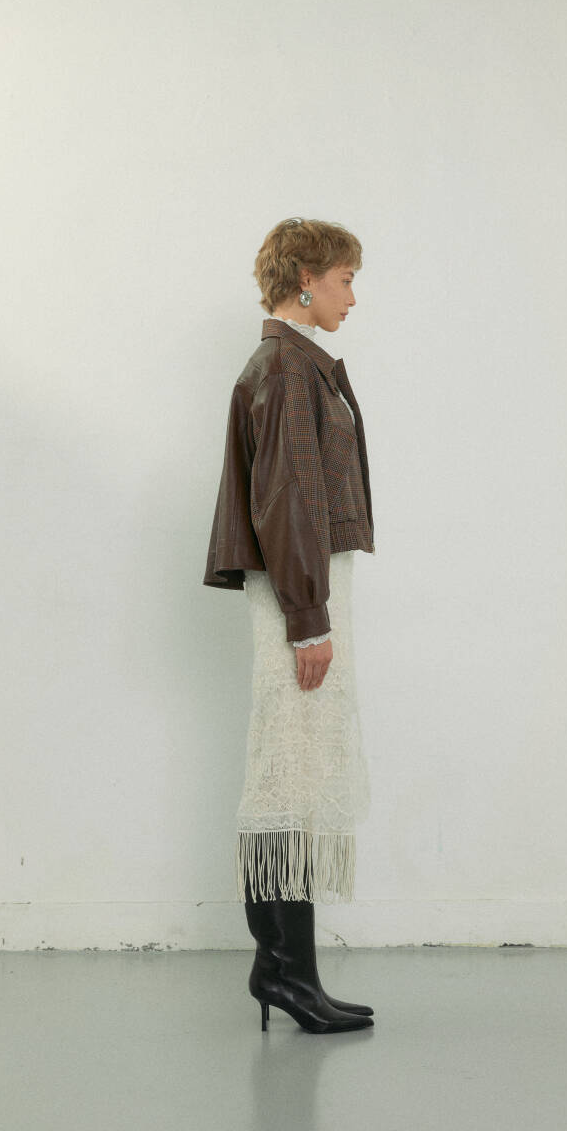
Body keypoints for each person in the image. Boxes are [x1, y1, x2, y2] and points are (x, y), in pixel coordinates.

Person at [204, 216, 377, 1034]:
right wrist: (308, 619)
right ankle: (284, 972)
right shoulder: (283, 368)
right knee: (287, 775)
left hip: (308, 592)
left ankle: (285, 971)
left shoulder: (296, 365)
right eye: (345, 279)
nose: (353, 297)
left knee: (298, 775)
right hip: (296, 598)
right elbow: (286, 501)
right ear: (305, 279)